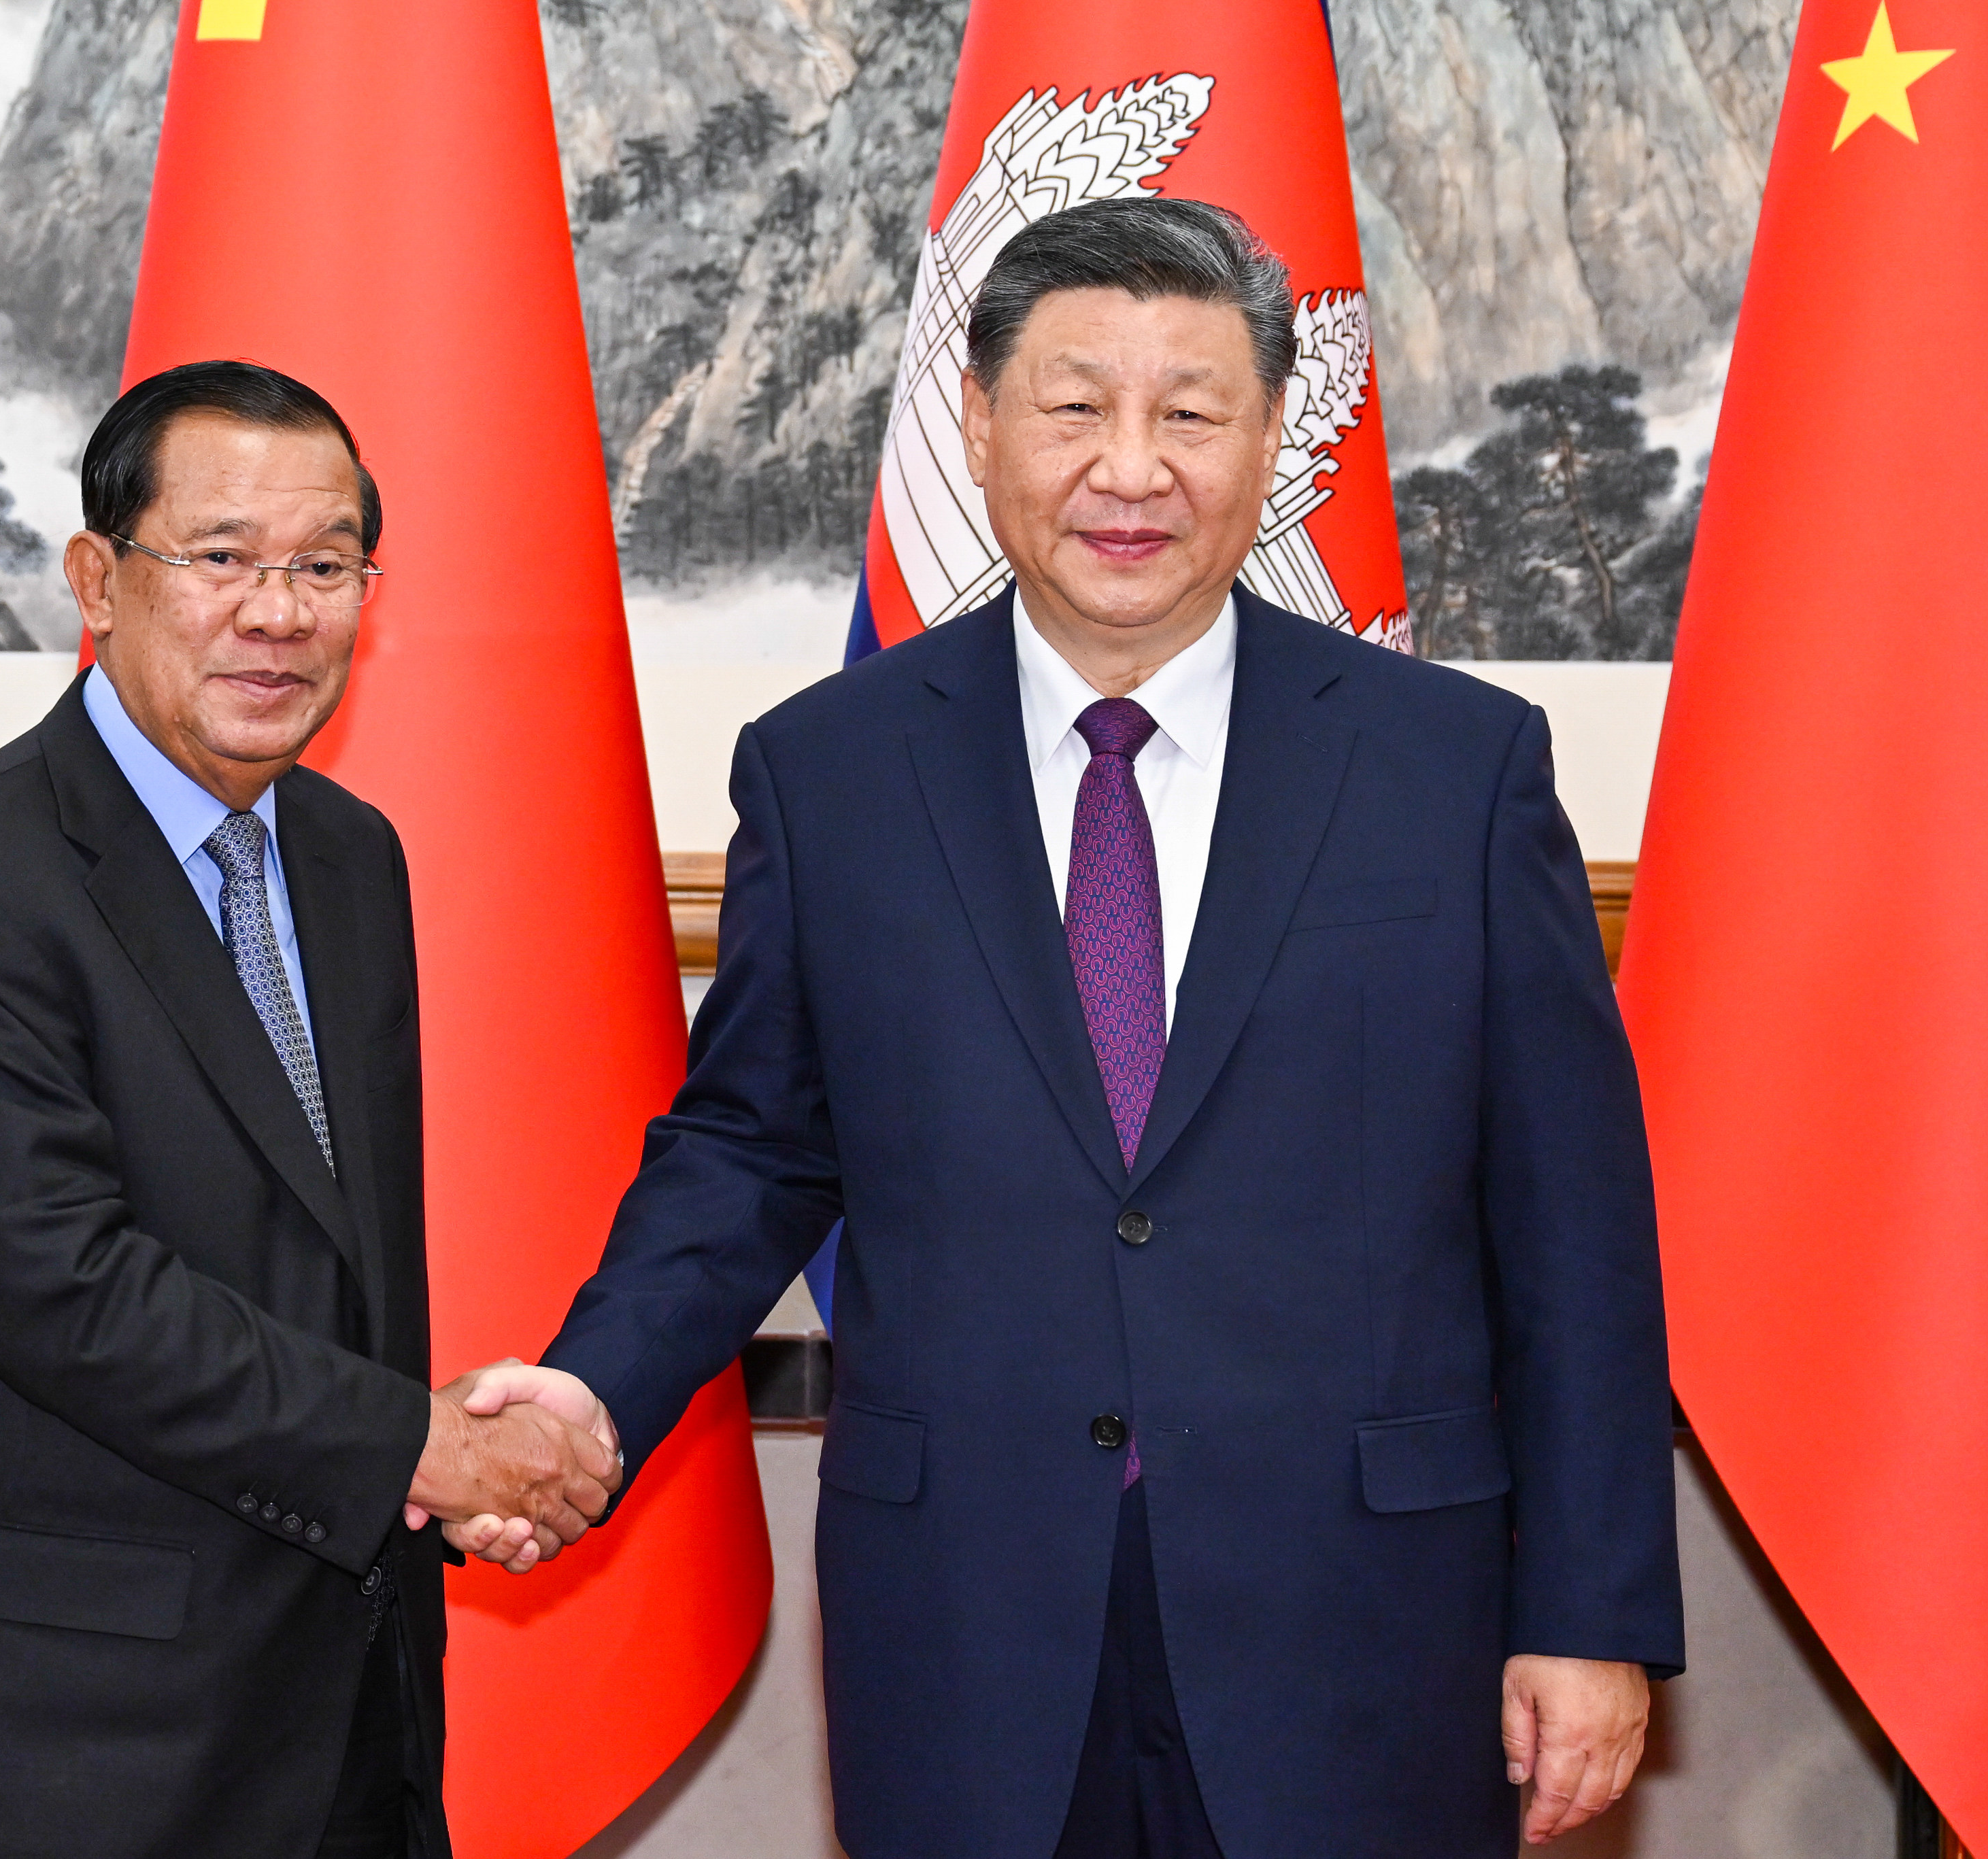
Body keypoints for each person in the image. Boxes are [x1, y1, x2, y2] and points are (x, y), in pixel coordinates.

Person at [472, 199, 1683, 1856]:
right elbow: (753, 1142)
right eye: (1074, 406)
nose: (1133, 468)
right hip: (969, 1615)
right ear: (978, 426)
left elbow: (1575, 1221)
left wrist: (1594, 1607)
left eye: (1191, 411)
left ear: (1271, 436)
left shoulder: (1453, 770)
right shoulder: (831, 770)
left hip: (1371, 1616)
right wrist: (592, 1394)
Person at [0, 360, 619, 1859]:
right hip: (46, 1723)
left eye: (323, 567)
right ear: (98, 577)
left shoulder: (351, 857)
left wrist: (432, 1453)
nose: (276, 614)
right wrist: (418, 1447)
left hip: (331, 1687)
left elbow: (327, 1263)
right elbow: (58, 1287)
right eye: (219, 559)